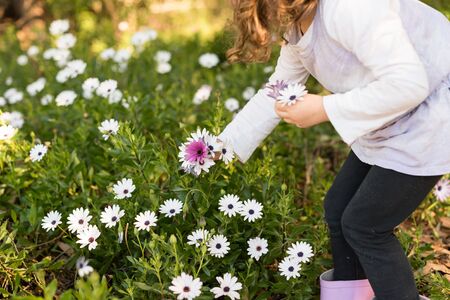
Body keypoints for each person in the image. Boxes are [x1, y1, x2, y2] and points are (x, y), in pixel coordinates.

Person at [215, 0, 450, 299]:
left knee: (366, 226)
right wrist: (221, 148)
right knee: (338, 209)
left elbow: (409, 83)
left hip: (433, 113)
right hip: (390, 115)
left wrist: (323, 107)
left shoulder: (349, 8)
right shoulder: (297, 24)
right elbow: (278, 88)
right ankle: (353, 294)